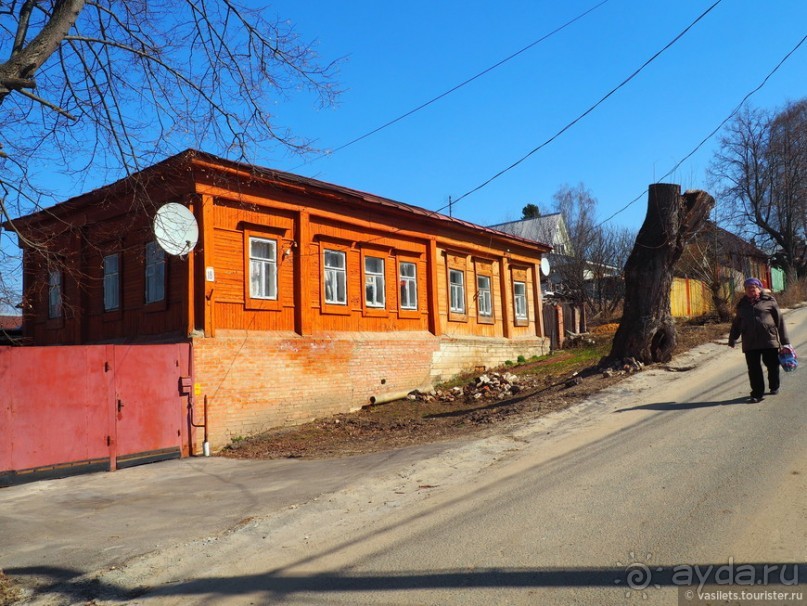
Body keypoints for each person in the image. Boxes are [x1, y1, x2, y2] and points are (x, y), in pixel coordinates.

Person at [728, 277, 790, 402]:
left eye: (753, 287)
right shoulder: (742, 305)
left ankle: (774, 385)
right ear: (745, 290)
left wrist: (785, 342)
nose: (751, 290)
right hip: (750, 342)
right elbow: (737, 323)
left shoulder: (769, 301)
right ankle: (757, 393)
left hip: (769, 340)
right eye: (748, 288)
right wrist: (733, 338)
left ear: (759, 288)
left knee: (772, 365)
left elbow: (780, 321)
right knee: (753, 369)